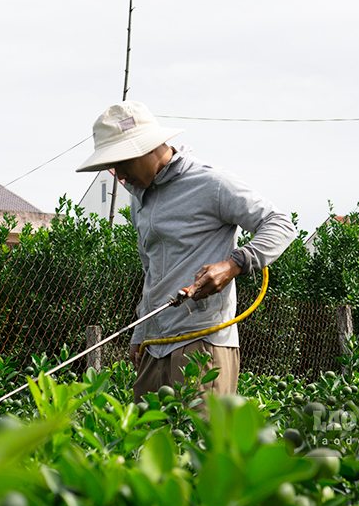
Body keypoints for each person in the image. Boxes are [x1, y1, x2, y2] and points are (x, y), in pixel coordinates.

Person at [76, 100, 296, 399]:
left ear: (149, 148)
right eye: (113, 166)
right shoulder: (139, 198)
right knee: (145, 442)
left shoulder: (211, 183)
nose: (120, 175)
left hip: (202, 342)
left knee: (199, 443)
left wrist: (233, 265)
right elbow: (150, 270)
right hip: (154, 345)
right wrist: (141, 335)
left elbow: (280, 223)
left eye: (123, 163)